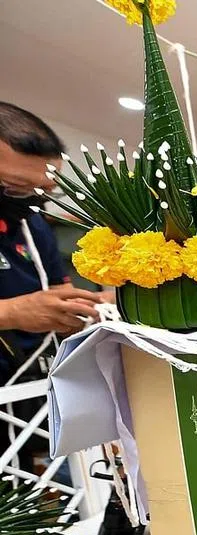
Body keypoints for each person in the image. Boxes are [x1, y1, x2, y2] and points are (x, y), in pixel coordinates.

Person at [0, 102, 102, 383]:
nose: (34, 199)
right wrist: (11, 312)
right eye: (17, 187)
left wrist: (88, 309)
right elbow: (20, 311)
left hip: (31, 379)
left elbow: (60, 292)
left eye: (45, 190)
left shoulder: (33, 224)